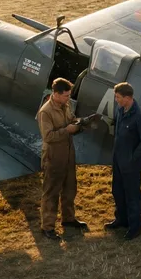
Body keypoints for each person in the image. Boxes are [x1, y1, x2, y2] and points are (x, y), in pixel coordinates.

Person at [36, 78, 87, 240]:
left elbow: (70, 119)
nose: (68, 98)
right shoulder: (45, 112)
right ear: (56, 94)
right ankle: (48, 227)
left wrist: (79, 123)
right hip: (53, 156)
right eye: (65, 95)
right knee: (51, 191)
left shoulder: (66, 105)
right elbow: (48, 136)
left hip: (68, 154)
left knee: (70, 188)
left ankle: (68, 219)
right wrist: (68, 130)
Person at [105, 82, 141, 240]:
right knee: (117, 191)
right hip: (118, 161)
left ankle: (135, 227)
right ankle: (121, 219)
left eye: (118, 97)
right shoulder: (120, 110)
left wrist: (133, 158)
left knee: (132, 196)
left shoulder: (140, 116)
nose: (116, 100)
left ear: (127, 98)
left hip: (131, 165)